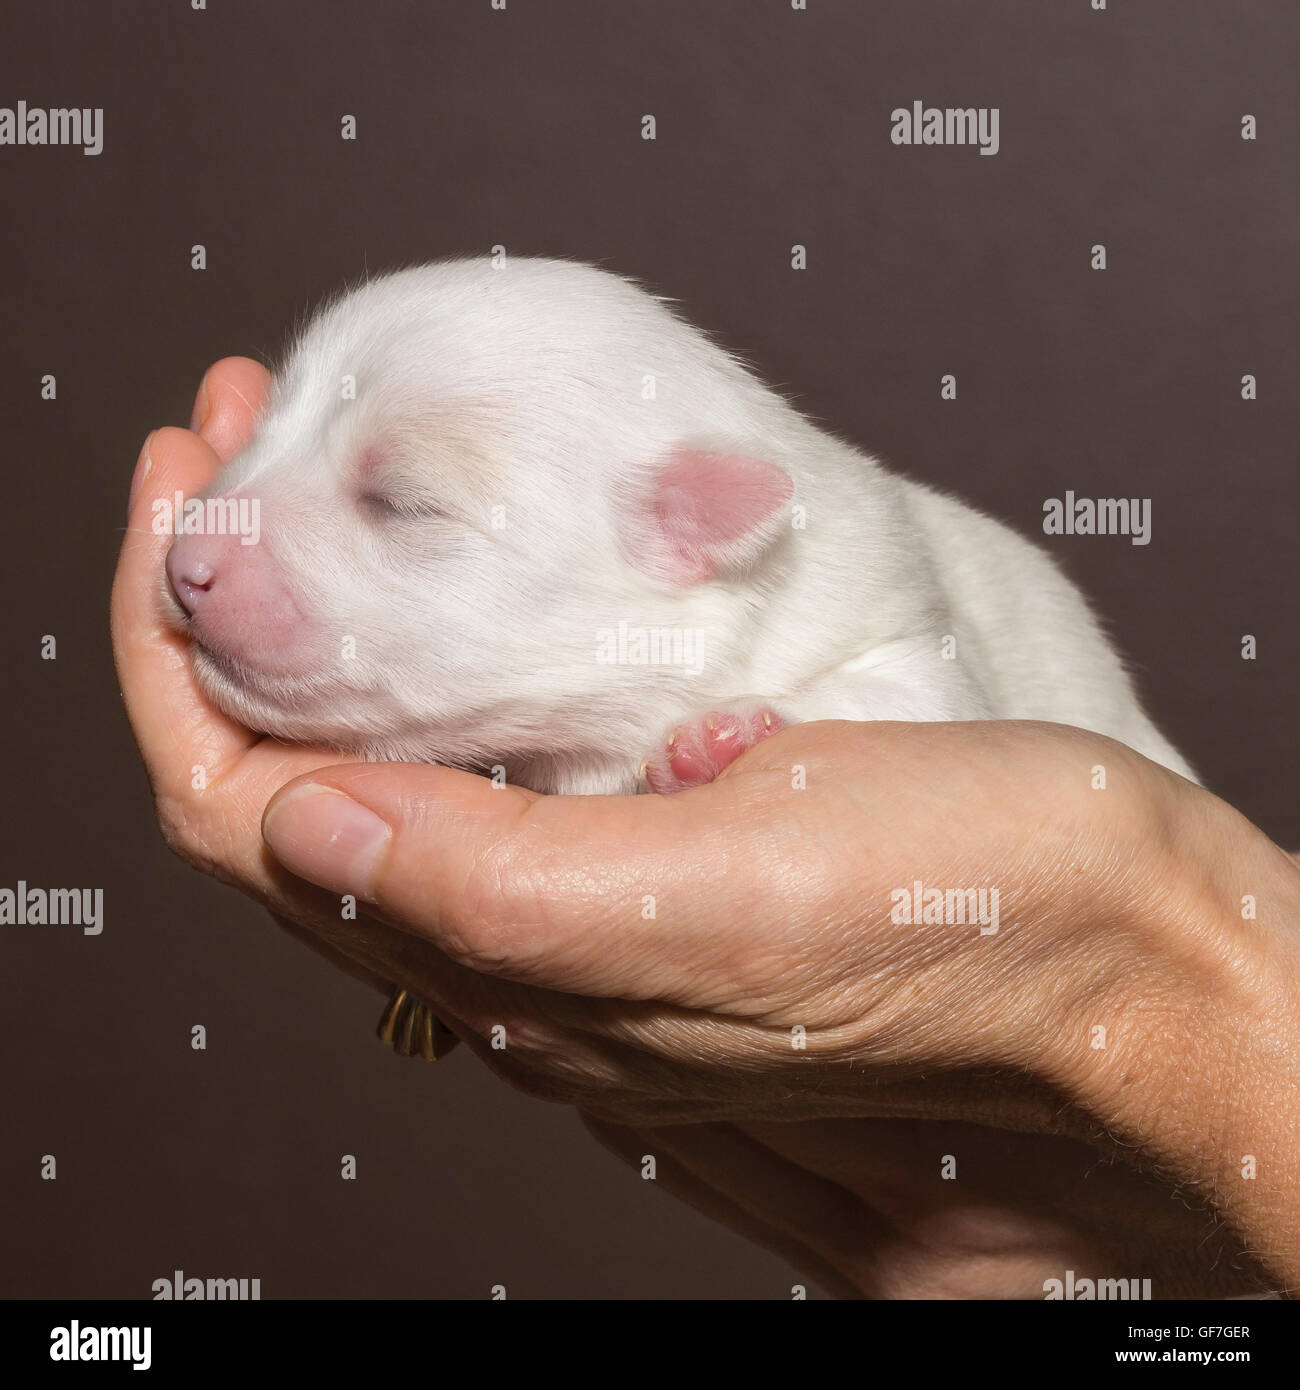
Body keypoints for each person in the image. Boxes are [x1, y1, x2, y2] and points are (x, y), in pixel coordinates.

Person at [112, 358, 1300, 1299]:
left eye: (398, 501)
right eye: (289, 423)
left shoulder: (859, 600)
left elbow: (954, 772)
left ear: (687, 529)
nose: (209, 540)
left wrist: (1185, 1023)